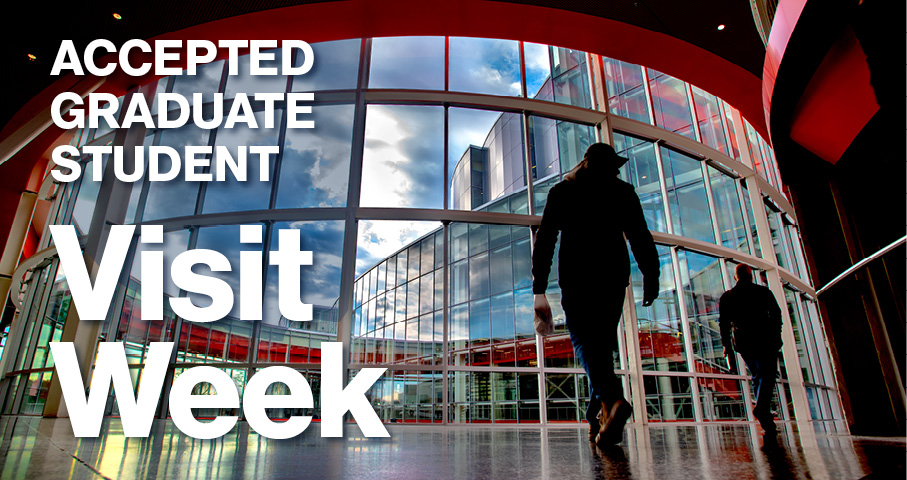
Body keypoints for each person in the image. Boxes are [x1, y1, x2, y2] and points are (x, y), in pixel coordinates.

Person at [532, 143, 660, 446]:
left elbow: (546, 240)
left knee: (586, 342)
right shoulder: (622, 191)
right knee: (599, 347)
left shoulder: (563, 192)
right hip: (613, 278)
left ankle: (614, 402)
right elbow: (640, 236)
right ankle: (597, 418)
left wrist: (539, 288)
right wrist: (651, 275)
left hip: (577, 278)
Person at [718, 263, 783, 434]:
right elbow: (777, 315)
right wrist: (777, 335)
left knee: (757, 376)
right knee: (768, 374)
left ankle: (766, 419)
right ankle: (762, 409)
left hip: (743, 342)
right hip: (765, 338)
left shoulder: (728, 296)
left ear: (735, 277)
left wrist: (727, 346)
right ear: (751, 276)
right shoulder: (763, 292)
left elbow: (724, 324)